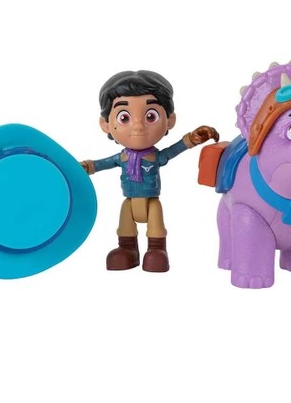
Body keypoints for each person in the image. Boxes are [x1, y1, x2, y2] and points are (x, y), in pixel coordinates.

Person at [81, 70, 219, 272]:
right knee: (125, 223)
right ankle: (127, 248)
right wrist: (87, 167)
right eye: (124, 118)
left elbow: (174, 150)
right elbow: (102, 163)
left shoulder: (155, 157)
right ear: (106, 125)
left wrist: (192, 139)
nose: (138, 126)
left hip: (152, 201)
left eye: (150, 116)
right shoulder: (122, 158)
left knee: (156, 225)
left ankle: (156, 249)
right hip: (129, 201)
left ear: (169, 121)